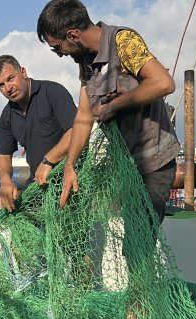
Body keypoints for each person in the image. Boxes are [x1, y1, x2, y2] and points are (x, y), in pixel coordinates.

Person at [37, 0, 182, 223]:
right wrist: (69, 165)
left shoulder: (123, 41)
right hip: (125, 166)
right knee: (131, 241)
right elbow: (84, 117)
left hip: (154, 164)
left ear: (73, 36)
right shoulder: (85, 61)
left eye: (58, 47)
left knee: (139, 241)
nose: (59, 54)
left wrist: (114, 105)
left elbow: (164, 83)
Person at [0, 55, 77, 212]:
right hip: (38, 184)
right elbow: (4, 156)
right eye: (1, 85)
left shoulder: (53, 92)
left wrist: (48, 161)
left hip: (71, 178)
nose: (8, 88)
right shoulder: (7, 115)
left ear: (23, 72)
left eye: (11, 79)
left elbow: (76, 131)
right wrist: (6, 180)